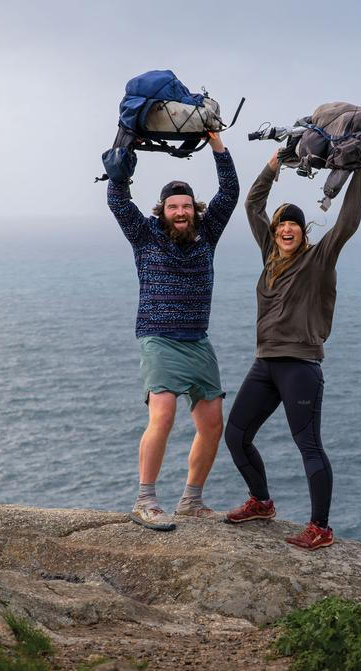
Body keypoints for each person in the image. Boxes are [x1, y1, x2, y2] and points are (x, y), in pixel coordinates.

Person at [223, 150, 361, 549]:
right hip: (265, 363)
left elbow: (347, 222)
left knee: (308, 446)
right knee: (236, 434)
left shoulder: (319, 259)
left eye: (294, 225)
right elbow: (253, 204)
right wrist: (273, 165)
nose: (286, 230)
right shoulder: (269, 256)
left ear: (304, 232)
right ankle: (262, 501)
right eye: (281, 225)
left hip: (300, 366)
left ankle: (320, 527)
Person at [106, 131, 239, 531]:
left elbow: (229, 190)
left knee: (213, 423)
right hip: (159, 338)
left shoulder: (207, 234)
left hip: (198, 340)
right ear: (162, 210)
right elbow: (117, 200)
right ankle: (145, 500)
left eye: (185, 205)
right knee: (161, 416)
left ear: (194, 209)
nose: (180, 212)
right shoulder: (144, 237)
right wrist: (123, 148)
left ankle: (191, 501)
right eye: (172, 206)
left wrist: (216, 142)